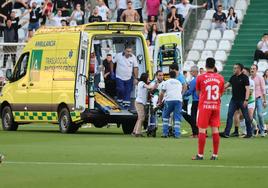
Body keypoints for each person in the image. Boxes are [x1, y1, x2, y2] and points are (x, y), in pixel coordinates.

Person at [192, 57, 224, 160]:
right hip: (215, 106)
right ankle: (215, 155)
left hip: (205, 106)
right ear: (214, 66)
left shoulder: (200, 77)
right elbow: (221, 93)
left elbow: (197, 92)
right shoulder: (220, 78)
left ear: (205, 66)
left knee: (202, 130)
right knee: (215, 130)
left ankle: (200, 154)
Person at [220, 63, 252, 138]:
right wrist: (219, 86)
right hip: (234, 100)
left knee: (246, 116)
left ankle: (249, 133)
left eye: (235, 68)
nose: (233, 69)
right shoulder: (233, 77)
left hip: (242, 100)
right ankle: (226, 133)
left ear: (239, 69)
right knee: (230, 115)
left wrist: (246, 100)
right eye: (233, 68)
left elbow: (247, 89)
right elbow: (226, 86)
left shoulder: (245, 77)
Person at [158, 70, 183, 138]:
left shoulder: (166, 82)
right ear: (176, 76)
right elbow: (180, 92)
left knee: (165, 116)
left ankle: (165, 133)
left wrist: (160, 102)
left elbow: (161, 93)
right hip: (178, 100)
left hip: (169, 100)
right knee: (177, 117)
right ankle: (177, 134)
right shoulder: (179, 82)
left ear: (169, 76)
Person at [132, 73, 157, 137]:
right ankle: (138, 133)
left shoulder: (142, 83)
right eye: (148, 77)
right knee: (141, 118)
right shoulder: (141, 83)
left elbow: (149, 89)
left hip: (140, 103)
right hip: (139, 103)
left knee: (140, 118)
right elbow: (149, 87)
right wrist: (154, 84)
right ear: (145, 78)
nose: (149, 79)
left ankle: (135, 131)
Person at [250, 64, 267, 137]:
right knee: (252, 116)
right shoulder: (249, 79)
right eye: (251, 68)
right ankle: (254, 130)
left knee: (260, 114)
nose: (252, 70)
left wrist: (264, 101)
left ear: (256, 70)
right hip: (251, 100)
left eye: (253, 68)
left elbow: (263, 89)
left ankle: (262, 131)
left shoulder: (260, 78)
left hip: (259, 98)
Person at [184, 65, 199, 138]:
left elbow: (190, 92)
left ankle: (195, 133)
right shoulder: (201, 79)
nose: (190, 73)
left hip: (196, 101)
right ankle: (202, 132)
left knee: (193, 118)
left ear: (195, 72)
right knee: (200, 118)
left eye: (191, 71)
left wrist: (182, 94)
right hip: (202, 101)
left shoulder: (194, 81)